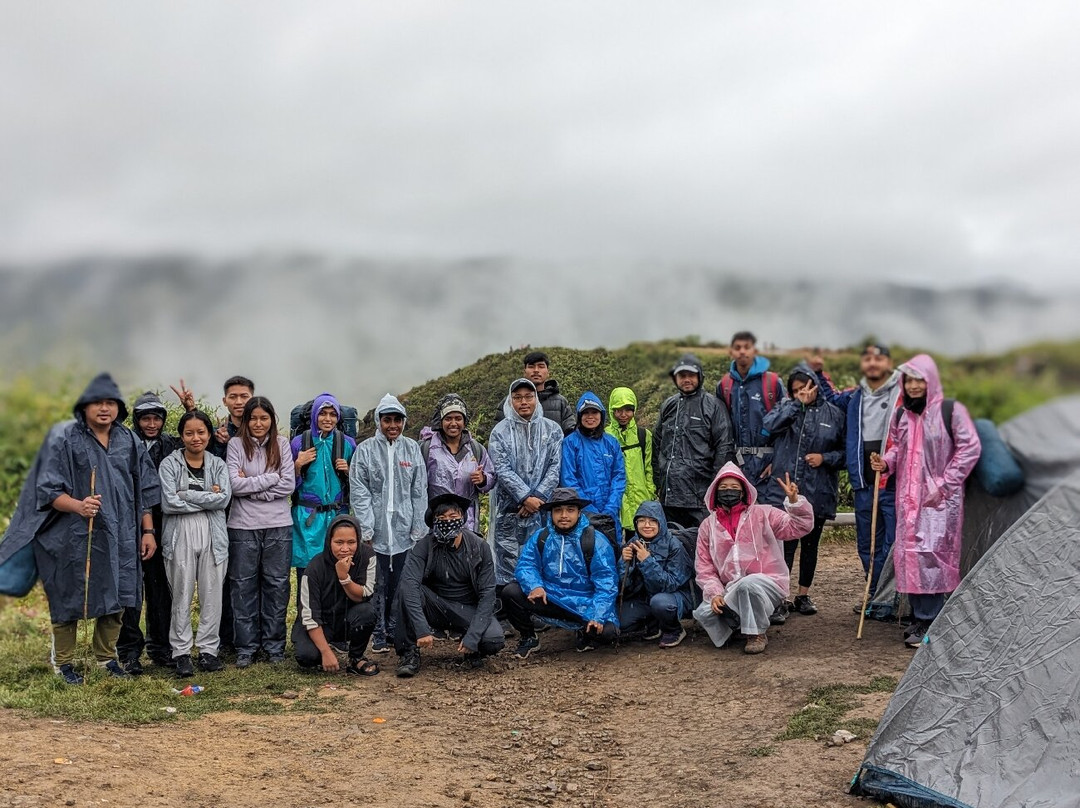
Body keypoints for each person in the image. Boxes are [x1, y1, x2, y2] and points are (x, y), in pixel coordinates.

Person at [0, 373, 159, 685]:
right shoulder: (65, 438)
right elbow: (47, 490)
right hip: (73, 534)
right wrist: (78, 505)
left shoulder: (129, 440)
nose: (104, 408)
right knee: (70, 595)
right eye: (97, 402)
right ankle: (63, 664)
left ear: (119, 407)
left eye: (110, 402)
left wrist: (148, 531)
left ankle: (106, 658)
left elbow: (144, 489)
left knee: (119, 593)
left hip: (121, 533)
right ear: (84, 406)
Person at [870, 354, 981, 647]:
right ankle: (921, 617)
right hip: (908, 499)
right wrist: (886, 463)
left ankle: (931, 620)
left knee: (932, 556)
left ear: (931, 380)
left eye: (919, 380)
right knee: (911, 556)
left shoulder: (950, 411)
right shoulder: (902, 415)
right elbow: (898, 449)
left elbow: (969, 448)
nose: (914, 386)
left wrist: (944, 484)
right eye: (909, 380)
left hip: (939, 501)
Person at [693, 463, 814, 654]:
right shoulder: (708, 526)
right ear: (715, 492)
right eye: (723, 487)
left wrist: (794, 502)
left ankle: (756, 633)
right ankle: (738, 625)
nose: (728, 491)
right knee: (705, 613)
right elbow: (704, 567)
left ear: (743, 492)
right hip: (731, 587)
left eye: (734, 487)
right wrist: (715, 593)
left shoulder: (763, 514)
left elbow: (799, 527)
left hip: (768, 583)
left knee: (747, 585)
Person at [818, 344, 902, 602]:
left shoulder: (903, 393)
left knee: (893, 543)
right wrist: (819, 372)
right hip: (864, 482)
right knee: (867, 543)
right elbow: (831, 398)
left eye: (879, 358)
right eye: (868, 359)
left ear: (888, 363)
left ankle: (893, 597)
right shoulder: (856, 395)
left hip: (893, 482)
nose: (873, 363)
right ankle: (874, 594)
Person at [762, 363, 846, 618]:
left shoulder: (834, 414)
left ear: (815, 385)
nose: (802, 392)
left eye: (805, 387)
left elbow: (845, 454)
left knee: (811, 544)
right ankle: (780, 597)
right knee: (784, 546)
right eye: (796, 389)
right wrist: (795, 405)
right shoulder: (786, 408)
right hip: (786, 489)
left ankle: (803, 595)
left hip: (818, 488)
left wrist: (825, 458)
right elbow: (768, 426)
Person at [349, 394, 428, 654]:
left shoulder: (411, 449)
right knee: (376, 584)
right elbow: (359, 491)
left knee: (400, 583)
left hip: (404, 530)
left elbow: (419, 490)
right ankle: (378, 633)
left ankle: (395, 628)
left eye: (397, 420)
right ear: (378, 421)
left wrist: (418, 525)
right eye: (387, 420)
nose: (392, 425)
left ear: (403, 421)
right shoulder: (365, 451)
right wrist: (366, 527)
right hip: (377, 531)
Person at [394, 493, 504, 677]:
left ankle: (472, 649)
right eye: (441, 518)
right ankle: (408, 652)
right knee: (407, 590)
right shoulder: (424, 546)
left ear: (462, 518)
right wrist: (421, 628)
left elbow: (488, 594)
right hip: (435, 605)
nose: (447, 521)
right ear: (433, 521)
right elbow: (409, 584)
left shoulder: (479, 547)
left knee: (494, 639)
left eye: (453, 517)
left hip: (468, 608)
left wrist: (473, 636)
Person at [502, 488, 619, 658]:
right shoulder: (541, 536)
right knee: (510, 592)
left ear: (579, 512)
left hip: (585, 603)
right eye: (558, 510)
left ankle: (584, 632)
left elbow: (607, 582)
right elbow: (526, 565)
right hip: (550, 596)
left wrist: (597, 615)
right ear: (551, 514)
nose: (564, 515)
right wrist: (534, 586)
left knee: (607, 632)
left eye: (570, 510)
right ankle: (528, 637)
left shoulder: (595, 540)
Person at [158, 410, 231, 677]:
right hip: (180, 533)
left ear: (209, 435)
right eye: (189, 433)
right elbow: (169, 503)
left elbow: (224, 499)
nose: (195, 438)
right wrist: (207, 496)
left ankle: (208, 650)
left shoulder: (217, 464)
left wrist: (186, 494)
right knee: (181, 592)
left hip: (213, 533)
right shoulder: (169, 464)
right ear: (181, 436)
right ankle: (181, 652)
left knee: (212, 593)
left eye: (201, 432)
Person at [226, 396, 295, 668]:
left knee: (277, 585)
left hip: (278, 524)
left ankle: (274, 646)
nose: (258, 423)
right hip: (242, 526)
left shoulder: (282, 444)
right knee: (243, 585)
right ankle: (246, 647)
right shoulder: (235, 445)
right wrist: (270, 478)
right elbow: (234, 485)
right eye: (253, 418)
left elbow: (288, 484)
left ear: (271, 420)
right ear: (245, 420)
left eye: (263, 418)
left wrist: (252, 489)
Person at [117, 391, 183, 674]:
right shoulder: (124, 444)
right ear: (137, 420)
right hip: (130, 524)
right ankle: (129, 651)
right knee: (130, 590)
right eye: (146, 419)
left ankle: (160, 648)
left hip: (164, 523)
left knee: (160, 589)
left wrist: (191, 409)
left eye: (157, 418)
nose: (152, 424)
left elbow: (200, 444)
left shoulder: (171, 444)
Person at [487, 379, 563, 594]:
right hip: (510, 509)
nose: (523, 402)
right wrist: (524, 497)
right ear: (510, 401)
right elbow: (501, 469)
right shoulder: (499, 432)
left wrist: (537, 497)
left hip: (541, 507)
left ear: (536, 399)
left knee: (541, 554)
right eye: (517, 397)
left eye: (528, 397)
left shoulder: (552, 430)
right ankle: (509, 605)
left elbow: (555, 466)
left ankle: (537, 603)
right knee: (508, 558)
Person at [653, 353, 735, 529]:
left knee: (701, 542)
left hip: (700, 498)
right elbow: (657, 444)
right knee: (672, 541)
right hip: (669, 497)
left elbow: (724, 448)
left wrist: (715, 488)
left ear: (700, 376)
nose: (686, 380)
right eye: (682, 376)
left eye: (691, 375)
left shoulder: (713, 405)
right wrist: (659, 481)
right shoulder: (668, 405)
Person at [292, 514, 379, 675]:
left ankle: (356, 657)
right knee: (306, 656)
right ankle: (324, 651)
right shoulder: (314, 568)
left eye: (351, 542)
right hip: (321, 622)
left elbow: (364, 594)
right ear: (329, 541)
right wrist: (325, 652)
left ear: (358, 540)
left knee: (367, 611)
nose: (345, 548)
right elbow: (309, 616)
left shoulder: (367, 556)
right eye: (339, 542)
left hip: (348, 619)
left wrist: (344, 577)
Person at [289, 393, 356, 598]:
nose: (328, 419)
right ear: (314, 415)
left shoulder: (348, 444)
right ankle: (306, 613)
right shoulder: (299, 443)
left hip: (337, 516)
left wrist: (349, 472)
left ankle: (334, 614)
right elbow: (287, 485)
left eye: (332, 414)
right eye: (323, 413)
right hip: (307, 519)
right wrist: (298, 465)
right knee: (307, 575)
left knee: (339, 571)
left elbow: (360, 484)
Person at [716, 331, 786, 497]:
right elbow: (720, 429)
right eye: (737, 347)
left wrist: (777, 462)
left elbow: (786, 425)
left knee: (769, 511)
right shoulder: (724, 385)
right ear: (731, 352)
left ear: (755, 350)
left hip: (768, 465)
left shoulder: (772, 382)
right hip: (736, 465)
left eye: (747, 347)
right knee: (739, 511)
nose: (742, 351)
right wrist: (727, 463)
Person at [618, 501, 694, 648]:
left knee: (660, 603)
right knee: (620, 621)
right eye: (641, 521)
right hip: (645, 597)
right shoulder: (633, 543)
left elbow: (671, 584)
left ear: (661, 523)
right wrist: (623, 563)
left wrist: (647, 561)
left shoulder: (674, 545)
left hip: (674, 596)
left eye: (652, 521)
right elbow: (624, 586)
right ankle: (653, 624)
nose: (647, 525)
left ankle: (674, 629)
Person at [418, 393, 496, 533]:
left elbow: (491, 477)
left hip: (468, 521)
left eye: (458, 418)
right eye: (448, 419)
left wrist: (483, 479)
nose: (453, 423)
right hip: (437, 519)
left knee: (466, 546)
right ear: (441, 421)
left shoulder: (475, 449)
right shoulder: (427, 449)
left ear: (464, 422)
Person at [560, 392, 626, 536]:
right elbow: (568, 479)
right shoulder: (570, 443)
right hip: (582, 514)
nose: (590, 417)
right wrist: (589, 508)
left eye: (594, 412)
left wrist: (611, 507)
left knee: (611, 546)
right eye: (586, 413)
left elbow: (619, 476)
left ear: (601, 415)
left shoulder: (611, 442)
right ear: (579, 416)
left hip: (610, 514)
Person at [606, 387, 657, 539]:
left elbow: (649, 467)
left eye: (628, 410)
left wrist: (650, 492)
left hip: (642, 497)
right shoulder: (605, 436)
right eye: (618, 410)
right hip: (615, 498)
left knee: (641, 541)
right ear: (612, 410)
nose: (623, 415)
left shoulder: (644, 435)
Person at [494, 351, 576, 434]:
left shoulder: (560, 402)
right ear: (524, 372)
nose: (536, 370)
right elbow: (498, 434)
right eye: (531, 366)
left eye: (541, 366)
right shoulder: (509, 402)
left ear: (548, 372)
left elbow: (571, 434)